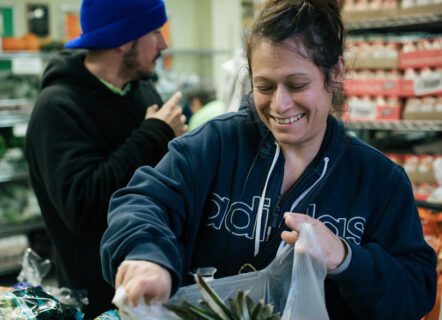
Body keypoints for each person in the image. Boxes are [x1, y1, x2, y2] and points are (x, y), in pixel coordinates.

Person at [100, 0, 437, 318]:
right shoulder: (215, 146)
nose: (280, 104)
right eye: (264, 86)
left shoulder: (379, 180)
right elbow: (143, 202)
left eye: (296, 84)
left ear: (335, 73)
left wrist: (346, 258)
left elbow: (415, 290)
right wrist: (146, 257)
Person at [24, 0, 187, 318]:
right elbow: (84, 209)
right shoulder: (57, 108)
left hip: (157, 285)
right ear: (125, 39)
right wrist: (154, 135)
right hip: (96, 304)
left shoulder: (142, 93)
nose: (163, 43)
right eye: (155, 32)